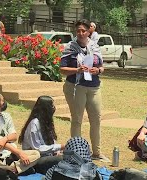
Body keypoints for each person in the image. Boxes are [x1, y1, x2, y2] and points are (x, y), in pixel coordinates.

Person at [60, 19, 108, 162]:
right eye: (78, 31)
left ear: (89, 31)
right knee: (77, 120)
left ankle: (97, 152)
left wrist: (97, 70)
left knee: (96, 119)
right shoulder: (70, 47)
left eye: (84, 31)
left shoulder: (95, 46)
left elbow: (102, 67)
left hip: (93, 87)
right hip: (76, 87)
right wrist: (77, 70)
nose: (81, 33)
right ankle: (76, 152)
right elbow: (62, 69)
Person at [0, 92, 40, 174]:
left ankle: (12, 168)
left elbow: (14, 136)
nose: (4, 103)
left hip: (10, 153)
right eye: (2, 101)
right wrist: (19, 153)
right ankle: (12, 169)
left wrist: (4, 139)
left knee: (35, 154)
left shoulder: (6, 117)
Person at [19, 96, 64, 174]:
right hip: (35, 160)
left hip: (47, 156)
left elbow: (51, 142)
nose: (54, 108)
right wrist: (60, 146)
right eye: (52, 106)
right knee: (63, 159)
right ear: (46, 108)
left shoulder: (46, 122)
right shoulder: (34, 124)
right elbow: (37, 148)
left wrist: (57, 151)